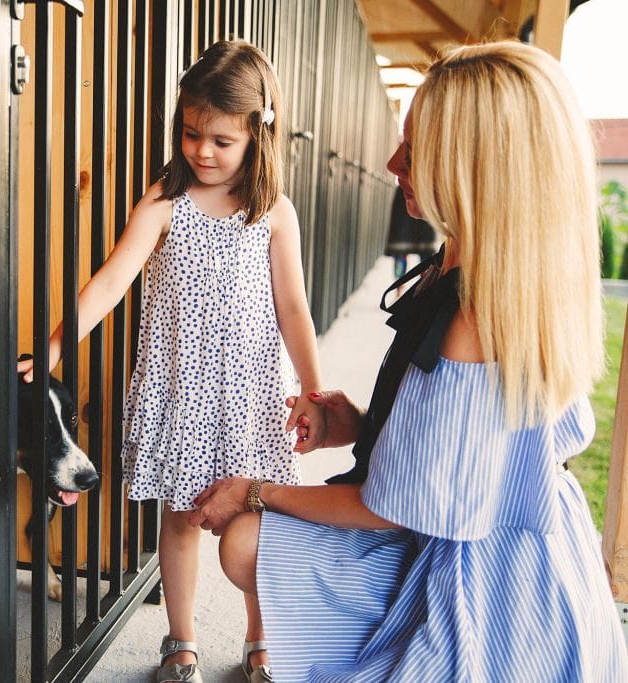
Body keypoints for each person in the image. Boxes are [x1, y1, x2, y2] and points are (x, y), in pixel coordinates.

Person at [189, 41, 628, 681]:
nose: (394, 163)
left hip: (480, 575)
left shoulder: (476, 318)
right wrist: (363, 425)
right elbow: (473, 454)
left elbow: (399, 506)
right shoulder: (505, 271)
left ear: (479, 168)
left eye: (417, 152)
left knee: (246, 536)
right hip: (521, 535)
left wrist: (256, 490)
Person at [18, 40, 326, 683]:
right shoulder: (164, 200)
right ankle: (181, 639)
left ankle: (259, 638)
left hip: (252, 397)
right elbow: (109, 282)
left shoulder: (274, 213)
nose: (202, 151)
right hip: (182, 394)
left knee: (257, 522)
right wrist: (53, 343)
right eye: (191, 134)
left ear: (257, 136)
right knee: (182, 521)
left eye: (220, 140)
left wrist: (314, 392)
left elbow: (294, 309)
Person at [384, 185, 437, 279]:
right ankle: (423, 283)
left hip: (412, 193)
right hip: (423, 193)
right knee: (425, 253)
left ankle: (401, 285)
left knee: (402, 248)